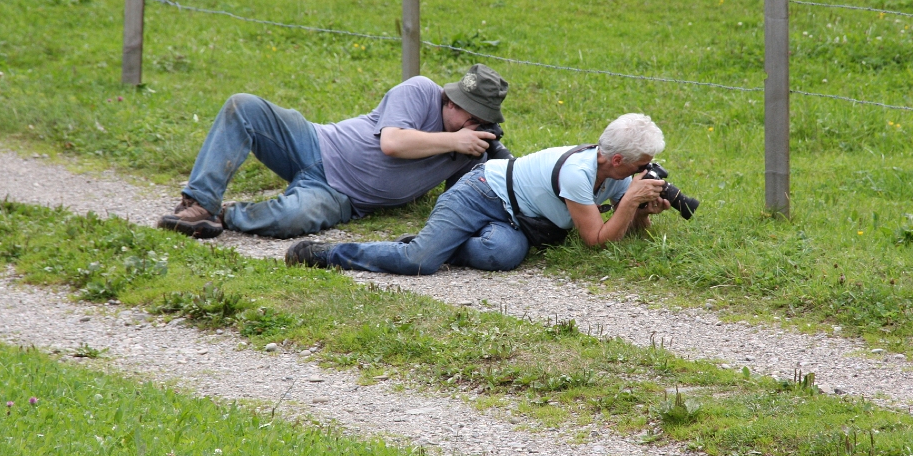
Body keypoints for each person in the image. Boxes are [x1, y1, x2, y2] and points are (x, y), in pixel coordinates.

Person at [284, 113, 672, 274]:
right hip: (481, 191)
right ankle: (329, 253)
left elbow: (627, 237)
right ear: (618, 158)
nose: (646, 171)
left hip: (516, 218)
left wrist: (641, 211)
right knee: (420, 262)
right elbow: (597, 240)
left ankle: (440, 242)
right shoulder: (578, 171)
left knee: (500, 254)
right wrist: (631, 201)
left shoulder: (620, 176)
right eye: (642, 164)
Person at [157, 64, 510, 239]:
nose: (468, 122)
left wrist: (478, 155)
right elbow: (392, 143)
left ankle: (222, 217)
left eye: (479, 120)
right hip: (315, 142)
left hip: (342, 196)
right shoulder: (421, 91)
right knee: (244, 107)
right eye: (463, 109)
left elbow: (463, 198)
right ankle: (200, 202)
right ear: (449, 97)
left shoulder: (470, 146)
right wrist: (454, 142)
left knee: (294, 218)